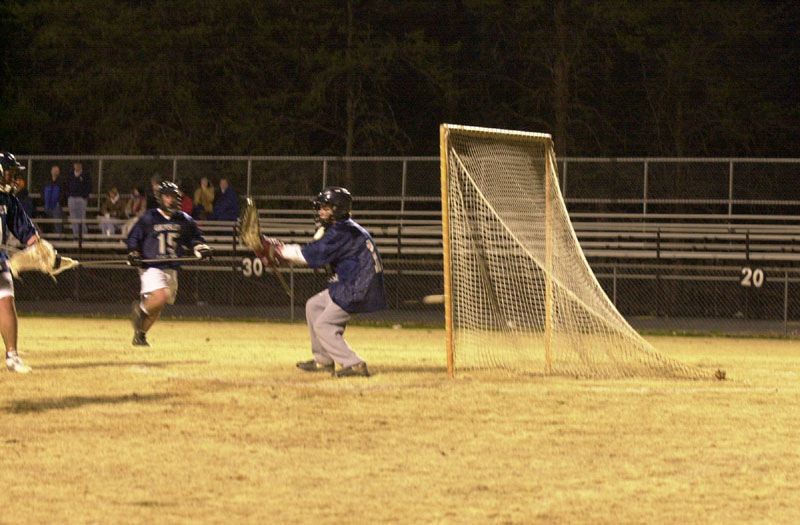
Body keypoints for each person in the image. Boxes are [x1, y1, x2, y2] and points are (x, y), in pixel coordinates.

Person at [262, 187, 386, 377]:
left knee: (325, 325)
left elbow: (311, 254)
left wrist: (278, 250)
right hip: (353, 282)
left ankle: (354, 364)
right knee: (314, 306)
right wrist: (281, 256)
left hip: (357, 286)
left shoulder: (343, 231)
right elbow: (316, 255)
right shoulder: (345, 228)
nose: (321, 212)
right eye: (320, 207)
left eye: (326, 208)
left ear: (338, 209)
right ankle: (323, 360)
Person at [126, 181, 212, 347]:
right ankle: (140, 311)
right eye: (167, 196)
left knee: (158, 307)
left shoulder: (184, 219)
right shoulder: (150, 217)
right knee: (161, 296)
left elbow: (195, 239)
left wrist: (200, 248)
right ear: (161, 198)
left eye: (173, 196)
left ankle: (140, 335)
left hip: (171, 268)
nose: (170, 200)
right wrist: (134, 252)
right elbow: (134, 237)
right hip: (152, 266)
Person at [0, 152, 44, 373]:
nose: (14, 177)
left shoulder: (8, 199)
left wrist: (43, 251)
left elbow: (27, 232)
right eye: (10, 172)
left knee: (6, 301)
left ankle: (12, 356)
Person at [66, 161, 91, 238]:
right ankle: (76, 235)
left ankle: (83, 235)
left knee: (81, 217)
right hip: (72, 198)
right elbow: (67, 185)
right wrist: (69, 195)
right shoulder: (70, 174)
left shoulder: (85, 175)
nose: (77, 166)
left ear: (81, 165)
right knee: (73, 217)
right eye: (76, 164)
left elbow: (89, 186)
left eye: (78, 164)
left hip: (81, 199)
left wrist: (84, 196)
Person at [43, 165, 64, 233]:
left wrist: (59, 201)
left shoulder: (61, 182)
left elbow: (63, 193)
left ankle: (58, 235)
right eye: (54, 170)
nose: (55, 172)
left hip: (56, 205)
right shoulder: (47, 181)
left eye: (56, 171)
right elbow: (42, 191)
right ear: (51, 171)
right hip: (47, 205)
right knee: (48, 222)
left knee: (57, 221)